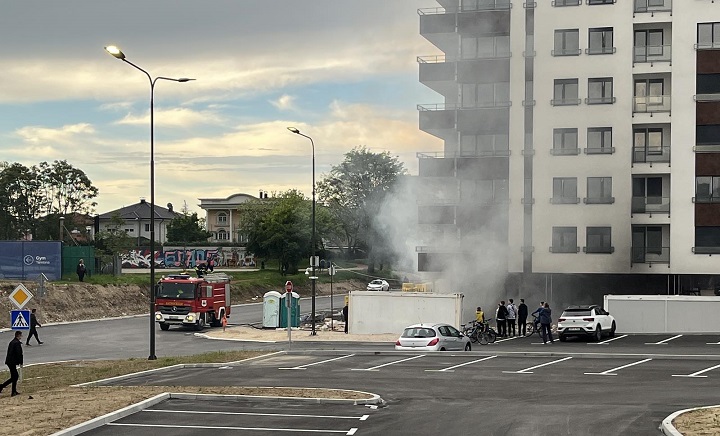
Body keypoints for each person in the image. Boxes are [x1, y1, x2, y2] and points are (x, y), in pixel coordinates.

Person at [1, 331, 23, 397]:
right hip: (12, 362)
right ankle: (9, 390)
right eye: (21, 335)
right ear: (18, 335)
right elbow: (19, 354)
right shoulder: (16, 343)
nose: (21, 337)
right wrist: (20, 362)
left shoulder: (13, 342)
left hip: (10, 362)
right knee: (15, 376)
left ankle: (13, 391)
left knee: (14, 377)